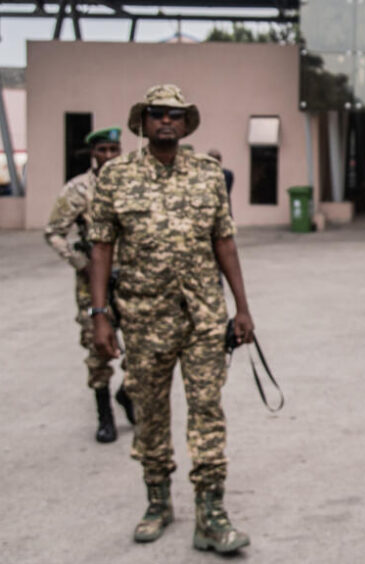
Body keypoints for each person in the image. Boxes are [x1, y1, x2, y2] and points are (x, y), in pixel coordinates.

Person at [88, 84, 254, 554]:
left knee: (207, 411)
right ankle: (158, 501)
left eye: (175, 114)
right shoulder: (116, 176)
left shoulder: (207, 174)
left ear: (185, 124)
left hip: (203, 316)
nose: (166, 120)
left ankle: (211, 514)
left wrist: (242, 308)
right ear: (143, 122)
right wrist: (100, 316)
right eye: (157, 113)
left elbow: (224, 241)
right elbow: (101, 246)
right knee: (151, 415)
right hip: (144, 319)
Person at [44, 127, 135, 443]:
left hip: (132, 279)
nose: (108, 156)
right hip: (92, 281)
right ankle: (105, 416)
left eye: (113, 150)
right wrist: (80, 263)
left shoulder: (134, 185)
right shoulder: (78, 189)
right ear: (93, 154)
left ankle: (127, 394)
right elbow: (53, 232)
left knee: (143, 346)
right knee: (98, 351)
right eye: (102, 150)